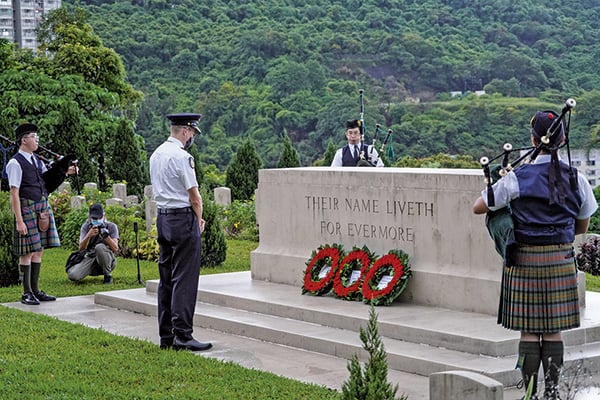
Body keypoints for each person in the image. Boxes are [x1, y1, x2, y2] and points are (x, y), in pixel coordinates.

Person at [472, 110, 598, 399]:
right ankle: (552, 391)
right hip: (560, 260)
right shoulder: (576, 178)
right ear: (563, 139)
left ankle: (529, 391)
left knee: (529, 331)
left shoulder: (517, 177)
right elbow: (582, 223)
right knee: (553, 331)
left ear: (533, 140)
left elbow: (479, 206)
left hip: (524, 260)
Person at [149, 112, 212, 352]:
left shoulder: (156, 154)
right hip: (182, 218)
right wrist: (198, 221)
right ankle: (183, 335)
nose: (192, 137)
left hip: (163, 219)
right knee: (185, 279)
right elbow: (194, 196)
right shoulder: (182, 157)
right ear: (185, 131)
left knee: (166, 279)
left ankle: (166, 335)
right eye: (192, 133)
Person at [6, 122, 78, 305]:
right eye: (33, 136)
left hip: (42, 208)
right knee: (27, 252)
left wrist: (66, 171)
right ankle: (26, 293)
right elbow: (14, 193)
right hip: (26, 208)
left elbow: (46, 180)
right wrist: (19, 221)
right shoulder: (15, 162)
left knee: (39, 250)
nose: (37, 139)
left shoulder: (36, 160)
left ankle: (36, 290)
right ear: (24, 140)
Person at [66, 203, 119, 284]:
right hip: (90, 256)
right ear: (89, 217)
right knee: (73, 275)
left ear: (104, 216)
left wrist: (106, 237)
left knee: (100, 247)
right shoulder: (86, 226)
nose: (97, 220)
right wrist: (88, 235)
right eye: (94, 218)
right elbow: (81, 248)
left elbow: (116, 249)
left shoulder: (111, 226)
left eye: (99, 218)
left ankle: (108, 275)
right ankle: (90, 270)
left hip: (107, 259)